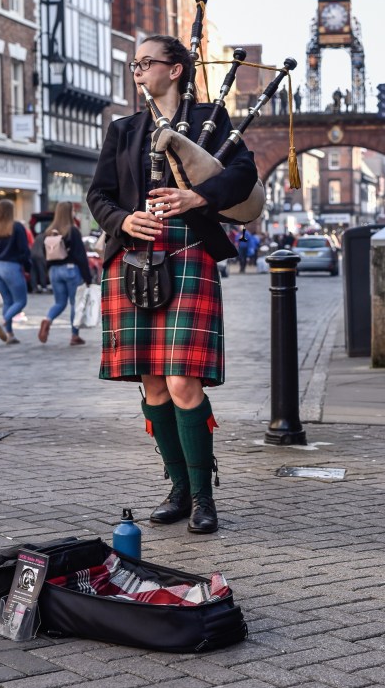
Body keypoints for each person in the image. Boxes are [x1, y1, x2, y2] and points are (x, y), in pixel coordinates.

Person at [87, 34, 257, 534]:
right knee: (154, 382)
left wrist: (197, 198)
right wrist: (122, 221)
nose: (137, 71)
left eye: (146, 62)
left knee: (184, 380)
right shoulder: (123, 129)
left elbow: (243, 176)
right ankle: (178, 488)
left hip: (187, 254)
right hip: (134, 257)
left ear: (175, 69)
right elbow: (98, 194)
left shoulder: (210, 121)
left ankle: (204, 497)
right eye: (134, 63)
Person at [38, 201, 92, 346]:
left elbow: (45, 255)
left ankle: (47, 320)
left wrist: (47, 272)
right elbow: (81, 256)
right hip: (70, 270)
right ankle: (74, 336)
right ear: (69, 212)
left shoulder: (48, 232)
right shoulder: (72, 231)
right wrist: (88, 278)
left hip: (54, 271)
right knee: (75, 303)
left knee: (59, 303)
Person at [0, 199, 31, 345]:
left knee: (7, 300)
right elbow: (24, 250)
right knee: (20, 301)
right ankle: (4, 321)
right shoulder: (17, 227)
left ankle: (10, 334)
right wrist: (28, 267)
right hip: (11, 266)